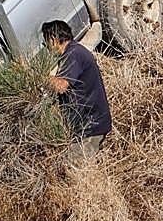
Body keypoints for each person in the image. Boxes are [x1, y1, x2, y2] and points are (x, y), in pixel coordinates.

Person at [42, 20, 112, 159]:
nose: (46, 46)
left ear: (53, 39)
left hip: (91, 128)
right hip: (87, 127)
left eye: (45, 42)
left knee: (71, 166)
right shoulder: (74, 52)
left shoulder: (73, 54)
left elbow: (61, 86)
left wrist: (39, 77)